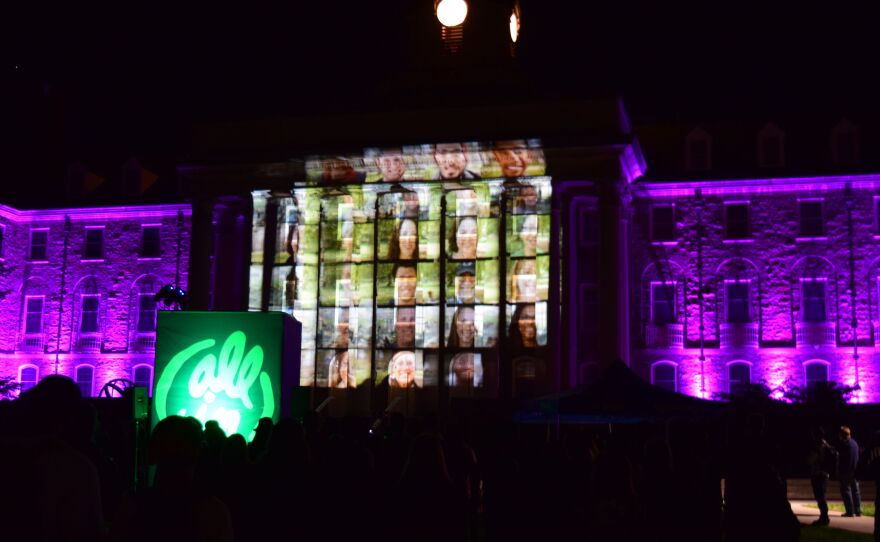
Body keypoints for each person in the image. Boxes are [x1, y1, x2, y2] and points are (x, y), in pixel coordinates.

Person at [807, 427, 836, 525]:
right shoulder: (827, 444)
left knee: (820, 496)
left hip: (818, 474)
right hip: (825, 474)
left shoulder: (818, 446)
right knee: (822, 495)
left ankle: (824, 517)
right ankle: (824, 516)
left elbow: (810, 460)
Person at [838, 425, 862, 517]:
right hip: (855, 471)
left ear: (842, 435)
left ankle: (849, 511)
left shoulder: (844, 445)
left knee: (846, 491)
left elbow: (841, 459)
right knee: (856, 491)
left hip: (846, 471)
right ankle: (858, 510)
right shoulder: (855, 443)